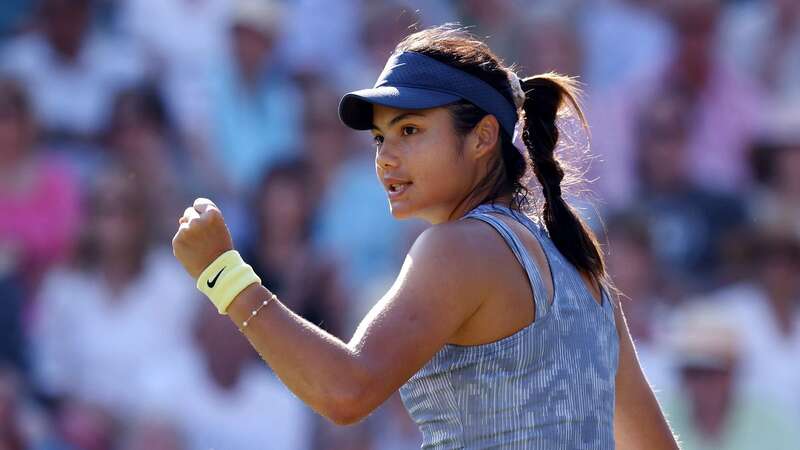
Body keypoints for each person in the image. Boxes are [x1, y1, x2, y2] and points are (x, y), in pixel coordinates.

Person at [172, 26, 678, 448]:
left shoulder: (460, 246)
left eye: (410, 130)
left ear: (481, 138)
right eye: (379, 138)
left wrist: (225, 275)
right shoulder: (578, 258)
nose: (386, 156)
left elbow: (346, 392)